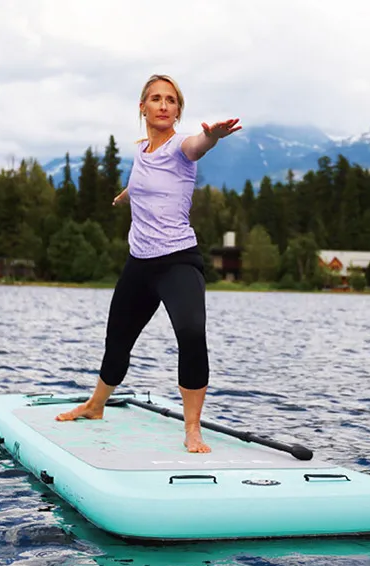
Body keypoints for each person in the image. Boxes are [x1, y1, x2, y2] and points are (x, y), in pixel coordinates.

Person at [55, 73, 241, 454]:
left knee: (191, 333)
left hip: (177, 262)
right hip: (140, 264)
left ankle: (192, 429)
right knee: (117, 341)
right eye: (155, 99)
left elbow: (197, 145)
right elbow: (144, 179)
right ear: (143, 107)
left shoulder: (181, 147)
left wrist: (214, 137)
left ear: (177, 110)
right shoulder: (141, 150)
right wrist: (127, 194)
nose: (162, 105)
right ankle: (95, 406)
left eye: (170, 100)